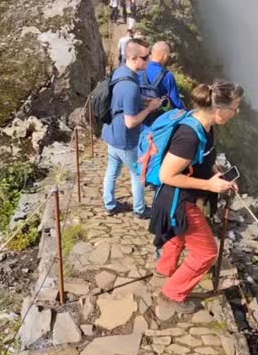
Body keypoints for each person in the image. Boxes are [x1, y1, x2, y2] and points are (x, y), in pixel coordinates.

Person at [150, 80, 242, 305]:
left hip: (183, 198)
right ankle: (173, 294)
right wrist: (210, 186)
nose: (236, 113)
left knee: (180, 234)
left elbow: (204, 158)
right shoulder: (189, 137)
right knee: (206, 253)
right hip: (179, 201)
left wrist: (216, 173)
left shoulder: (206, 126)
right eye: (234, 108)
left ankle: (164, 269)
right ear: (219, 110)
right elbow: (166, 176)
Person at [103, 41, 164, 218]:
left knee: (112, 170)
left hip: (111, 132)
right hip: (125, 139)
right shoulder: (131, 86)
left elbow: (121, 99)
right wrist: (149, 109)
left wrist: (144, 100)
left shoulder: (120, 72)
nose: (149, 60)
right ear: (134, 58)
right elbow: (131, 122)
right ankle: (140, 209)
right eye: (146, 57)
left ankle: (110, 204)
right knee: (138, 174)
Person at [141, 41, 185, 114]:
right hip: (156, 119)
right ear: (165, 56)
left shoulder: (140, 69)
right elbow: (177, 103)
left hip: (139, 116)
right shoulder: (167, 76)